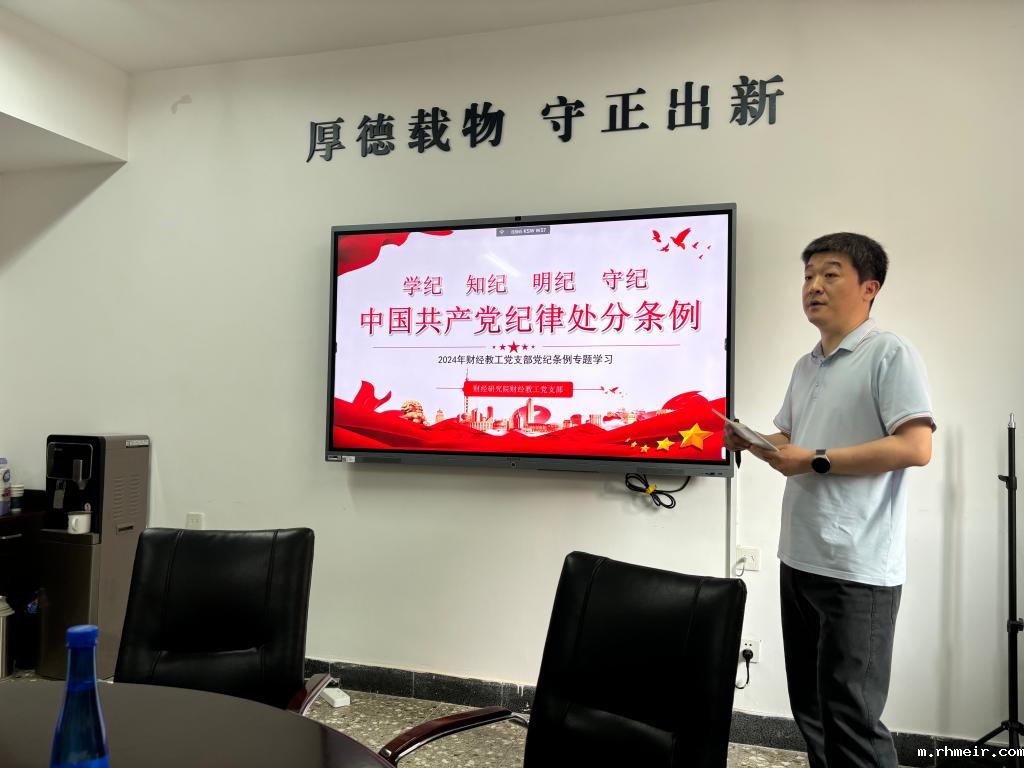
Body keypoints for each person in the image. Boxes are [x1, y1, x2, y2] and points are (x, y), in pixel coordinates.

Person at [724, 232, 934, 768]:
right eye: (808, 276)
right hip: (799, 558)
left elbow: (915, 447)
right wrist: (749, 438)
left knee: (852, 719)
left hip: (857, 569)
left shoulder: (889, 353)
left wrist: (814, 459)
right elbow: (790, 440)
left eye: (830, 274)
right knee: (813, 711)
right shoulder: (807, 364)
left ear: (869, 287)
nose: (813, 286)